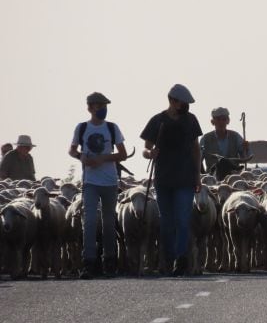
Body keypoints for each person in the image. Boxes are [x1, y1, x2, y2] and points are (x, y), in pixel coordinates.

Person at [141, 84, 202, 276]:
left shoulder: (191, 121)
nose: (185, 106)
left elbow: (195, 148)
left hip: (185, 177)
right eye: (183, 103)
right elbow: (145, 148)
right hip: (163, 178)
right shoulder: (158, 121)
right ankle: (168, 257)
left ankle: (180, 259)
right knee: (166, 221)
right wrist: (150, 153)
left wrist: (198, 175)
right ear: (173, 101)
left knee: (182, 220)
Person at [68, 92, 127, 279]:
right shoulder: (82, 128)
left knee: (109, 222)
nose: (103, 109)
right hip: (90, 182)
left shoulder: (112, 128)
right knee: (90, 221)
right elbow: (72, 149)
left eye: (105, 105)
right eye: (99, 105)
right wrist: (81, 157)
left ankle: (109, 261)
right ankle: (89, 262)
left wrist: (104, 158)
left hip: (109, 182)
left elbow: (123, 154)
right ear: (90, 107)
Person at [199, 107, 248, 174]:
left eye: (224, 119)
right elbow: (198, 160)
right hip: (212, 180)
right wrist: (204, 175)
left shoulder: (236, 137)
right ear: (212, 122)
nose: (221, 122)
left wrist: (246, 149)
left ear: (228, 121)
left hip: (233, 179)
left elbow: (245, 158)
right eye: (218, 119)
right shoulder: (205, 139)